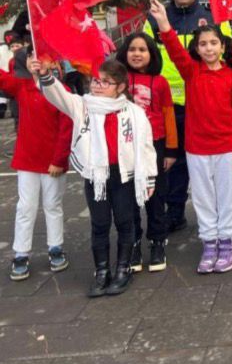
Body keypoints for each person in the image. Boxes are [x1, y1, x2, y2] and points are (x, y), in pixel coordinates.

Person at [35, 58, 157, 297]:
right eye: (95, 81)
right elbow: (57, 95)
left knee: (125, 222)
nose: (97, 86)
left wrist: (149, 178)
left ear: (120, 87)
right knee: (99, 224)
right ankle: (101, 271)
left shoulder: (134, 113)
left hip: (124, 176)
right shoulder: (82, 106)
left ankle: (123, 268)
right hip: (96, 177)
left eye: (105, 82)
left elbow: (146, 147)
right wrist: (47, 74)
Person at [148, 0, 232, 275]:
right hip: (197, 149)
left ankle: (228, 242)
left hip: (227, 148)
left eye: (213, 43)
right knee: (203, 197)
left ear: (222, 46)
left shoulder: (231, 77)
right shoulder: (191, 72)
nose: (208, 48)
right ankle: (210, 242)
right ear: (197, 48)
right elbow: (173, 50)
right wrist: (164, 23)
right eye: (203, 44)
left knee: (226, 197)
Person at [143, 0, 232, 233]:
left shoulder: (214, 17)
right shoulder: (154, 18)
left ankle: (217, 218)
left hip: (202, 103)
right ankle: (175, 213)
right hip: (165, 104)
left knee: (207, 163)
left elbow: (227, 58)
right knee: (170, 160)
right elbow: (145, 57)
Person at [3, 46, 72, 281]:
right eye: (32, 56)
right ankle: (21, 253)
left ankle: (56, 247)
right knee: (25, 207)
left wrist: (59, 160)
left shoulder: (61, 91)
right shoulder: (21, 87)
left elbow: (66, 128)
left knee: (53, 205)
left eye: (41, 56)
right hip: (27, 159)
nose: (36, 61)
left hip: (53, 161)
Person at [116, 33, 178, 273]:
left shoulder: (160, 82)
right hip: (126, 148)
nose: (137, 54)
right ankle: (132, 243)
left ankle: (157, 241)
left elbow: (169, 116)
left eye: (143, 49)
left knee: (155, 197)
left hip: (155, 147)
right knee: (128, 199)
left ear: (152, 54)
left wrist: (171, 150)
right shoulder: (117, 80)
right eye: (132, 49)